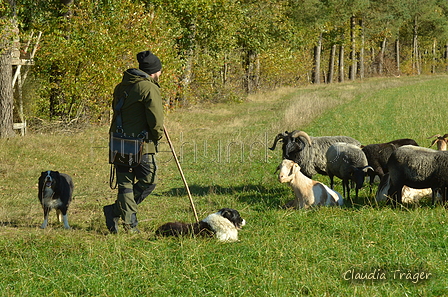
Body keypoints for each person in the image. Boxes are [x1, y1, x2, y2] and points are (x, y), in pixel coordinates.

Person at [103, 50, 164, 234]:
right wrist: (157, 135)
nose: (161, 74)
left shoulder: (121, 86)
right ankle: (122, 216)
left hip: (118, 141)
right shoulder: (149, 87)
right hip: (140, 145)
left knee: (125, 184)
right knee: (149, 179)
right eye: (160, 71)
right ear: (154, 71)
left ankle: (121, 217)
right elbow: (156, 121)